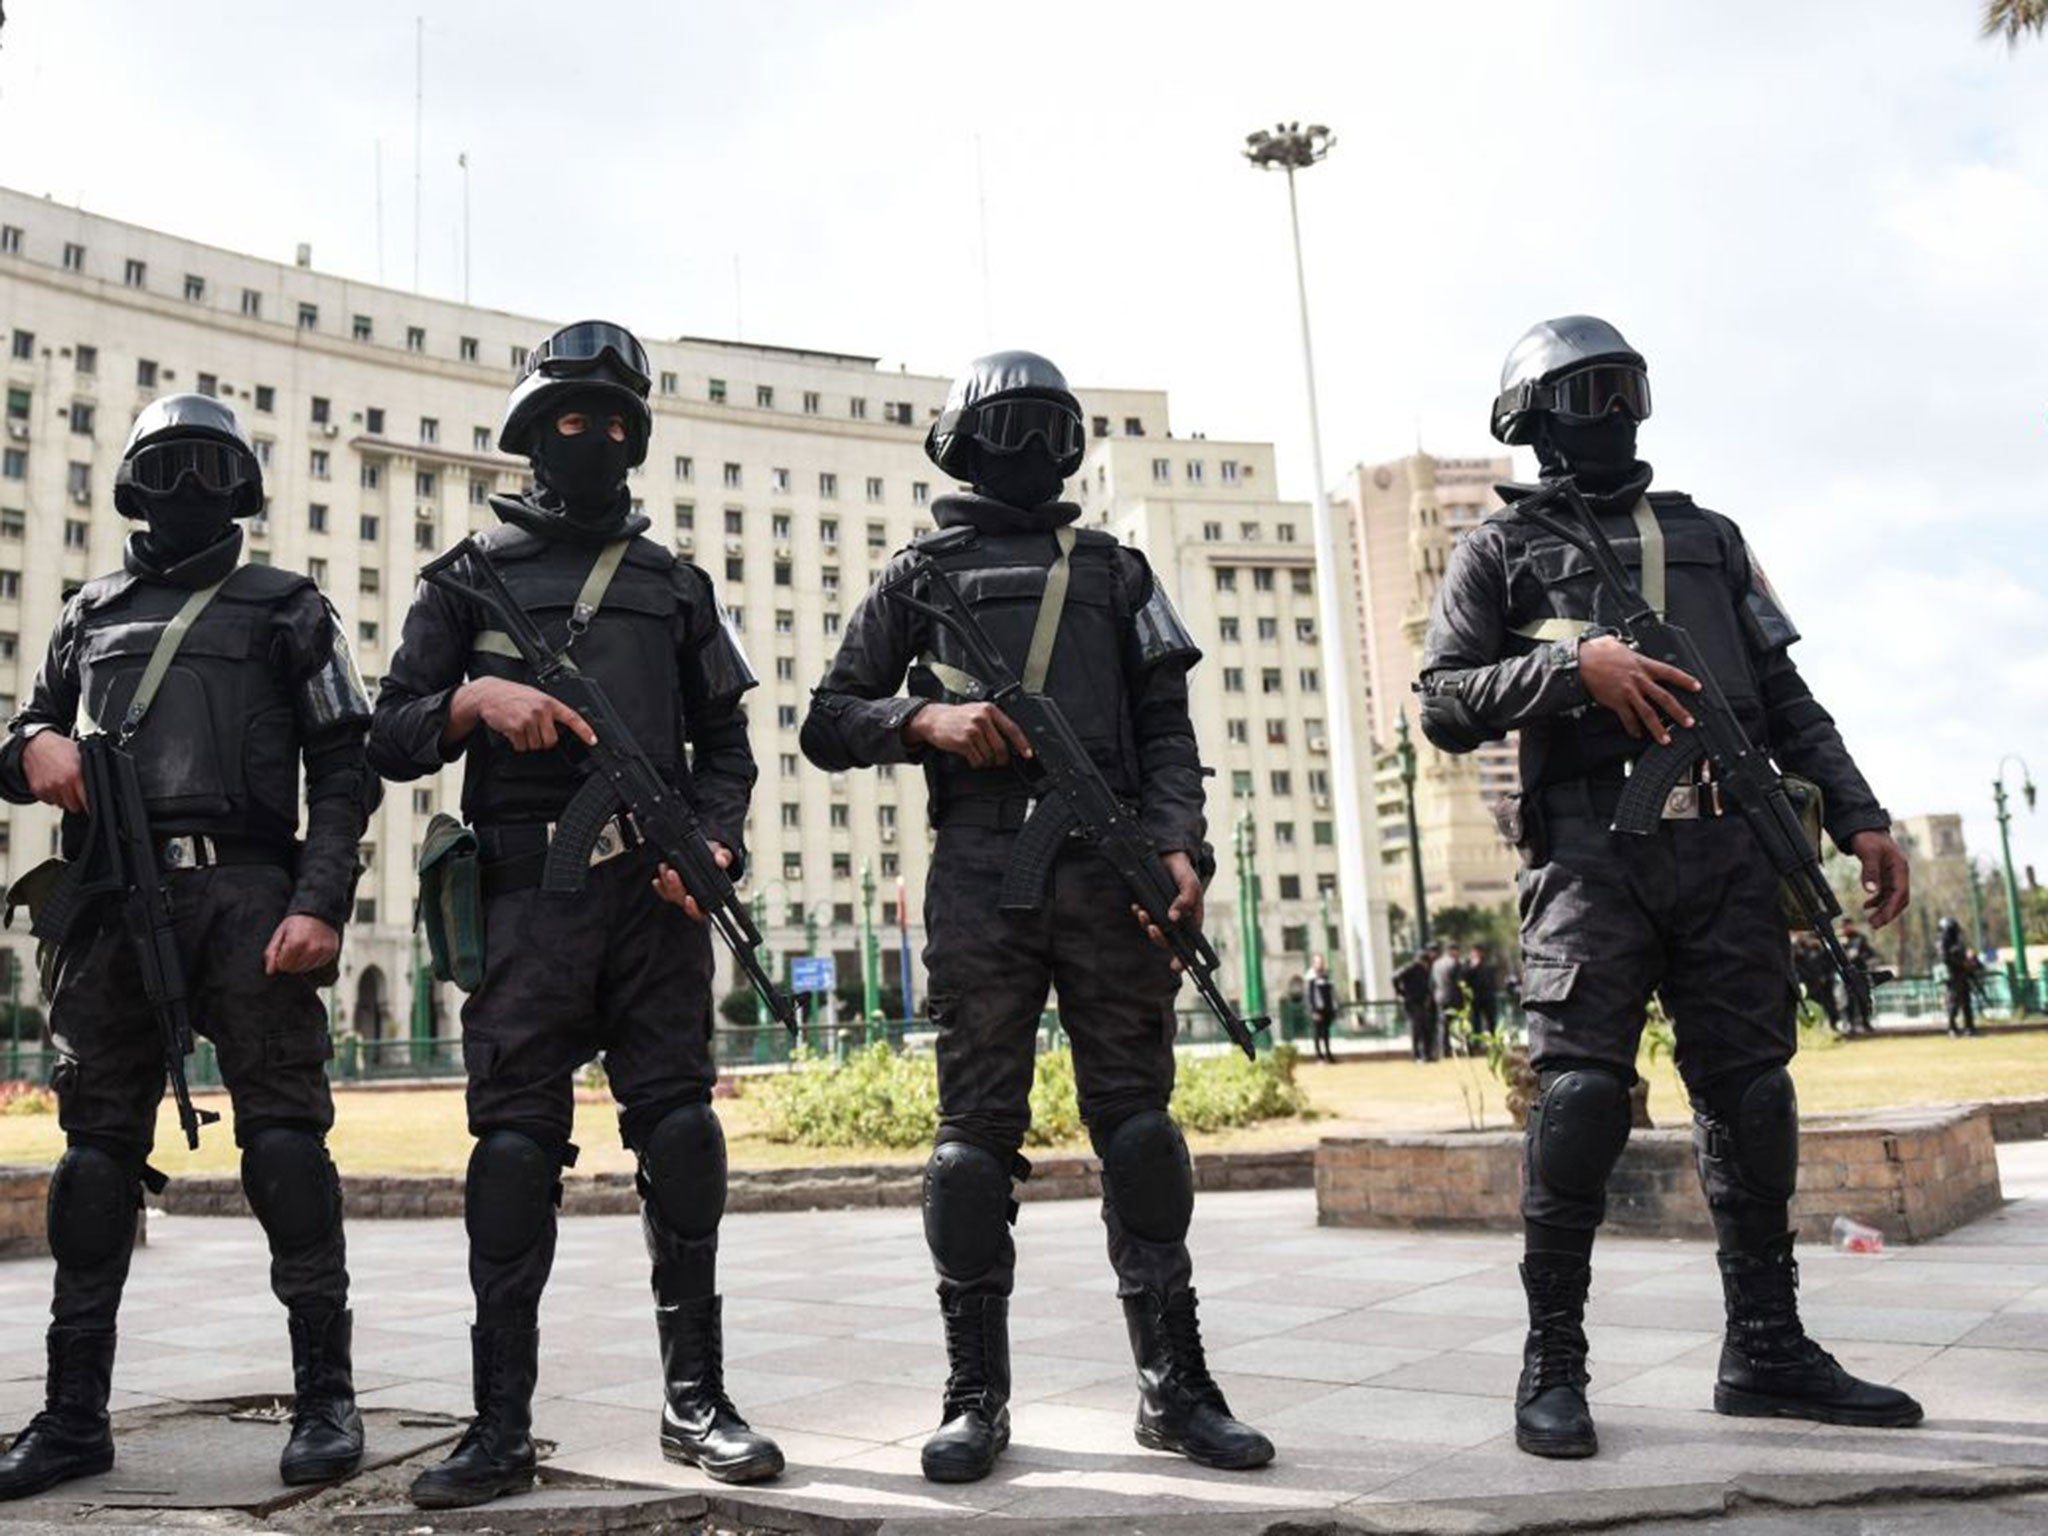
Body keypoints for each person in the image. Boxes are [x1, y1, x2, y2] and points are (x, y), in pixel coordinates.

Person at [1418, 315, 1921, 1460]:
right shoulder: (1498, 549)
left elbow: (1783, 692)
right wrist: (1567, 667)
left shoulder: (1710, 537)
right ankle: (1552, 1361)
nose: (1607, 414)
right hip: (1592, 859)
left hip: (1730, 855)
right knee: (1580, 1101)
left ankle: (1766, 1348)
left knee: (1751, 1097)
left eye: (1620, 389)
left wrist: (1859, 813)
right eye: (1581, 393)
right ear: (1529, 418)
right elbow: (1441, 701)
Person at [801, 350, 1273, 1484]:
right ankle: (975, 1394)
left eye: (1040, 428)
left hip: (1110, 871)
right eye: (1001, 426)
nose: (1021, 448)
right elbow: (826, 718)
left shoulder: (1115, 570)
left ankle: (1174, 1385)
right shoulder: (917, 575)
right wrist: (925, 723)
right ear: (965, 444)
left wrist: (1179, 849)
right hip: (978, 873)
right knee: (971, 1145)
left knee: (1142, 1134)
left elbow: (1169, 730)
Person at [368, 322, 783, 1508]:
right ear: (528, 434)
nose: (591, 438)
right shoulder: (462, 579)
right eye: (570, 419)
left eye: (612, 421)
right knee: (508, 1154)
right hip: (520, 902)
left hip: (652, 901)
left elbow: (730, 749)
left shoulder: (675, 586)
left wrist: (712, 845)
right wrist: (474, 700)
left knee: (682, 1138)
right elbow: (390, 735)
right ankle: (499, 1425)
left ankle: (694, 1401)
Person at [0, 395, 375, 1497]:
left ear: (240, 489)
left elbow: (346, 766)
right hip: (112, 900)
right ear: (133, 487)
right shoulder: (87, 611)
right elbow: (18, 731)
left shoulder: (288, 607)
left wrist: (321, 901)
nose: (186, 490)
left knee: (285, 1142)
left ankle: (325, 1398)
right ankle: (73, 1415)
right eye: (164, 470)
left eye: (207, 471)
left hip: (251, 895)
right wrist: (36, 752)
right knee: (93, 1155)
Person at [1392, 945, 1440, 1062]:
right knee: (1416, 1028)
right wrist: (1401, 993)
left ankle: (1427, 1054)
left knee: (1426, 1028)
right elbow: (1395, 977)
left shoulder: (1426, 970)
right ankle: (1416, 1054)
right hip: (1412, 1001)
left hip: (1422, 1001)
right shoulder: (1411, 968)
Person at [1792, 934, 1840, 1033]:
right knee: (1813, 1005)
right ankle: (1815, 1027)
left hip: (1826, 983)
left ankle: (1834, 1025)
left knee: (1830, 1005)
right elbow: (1798, 967)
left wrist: (1826, 976)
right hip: (1810, 984)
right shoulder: (1799, 951)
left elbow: (1832, 965)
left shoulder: (1823, 950)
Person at [1940, 917, 1978, 1037]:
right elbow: (1946, 958)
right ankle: (1952, 1028)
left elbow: (1962, 953)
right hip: (1953, 976)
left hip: (1962, 974)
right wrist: (1960, 962)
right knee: (1953, 1003)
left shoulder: (1957, 942)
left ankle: (1969, 1027)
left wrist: (1968, 961)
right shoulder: (1944, 943)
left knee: (1966, 1002)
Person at [1839, 921, 1876, 1035]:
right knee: (1849, 1000)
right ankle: (1851, 1024)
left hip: (1860, 972)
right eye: (1844, 926)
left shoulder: (1860, 938)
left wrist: (1859, 956)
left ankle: (1866, 1022)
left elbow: (1870, 953)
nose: (1847, 928)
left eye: (1848, 925)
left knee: (1863, 998)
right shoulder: (1840, 940)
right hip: (1847, 975)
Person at [1305, 955, 1339, 1064]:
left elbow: (1332, 993)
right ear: (1314, 964)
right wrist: (1314, 1010)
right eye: (1318, 962)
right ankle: (1319, 1056)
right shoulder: (1311, 978)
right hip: (1317, 1010)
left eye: (1321, 962)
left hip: (1327, 1009)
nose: (1320, 964)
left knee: (1326, 1032)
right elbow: (1310, 996)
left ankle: (1328, 1054)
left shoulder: (1327, 977)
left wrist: (1334, 1008)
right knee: (1317, 1033)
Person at [1465, 944, 1500, 1042]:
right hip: (1475, 998)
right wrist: (1473, 966)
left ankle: (1492, 1041)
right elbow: (1465, 978)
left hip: (1488, 997)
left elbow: (1492, 979)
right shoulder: (1468, 965)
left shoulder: (1487, 965)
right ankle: (1476, 1042)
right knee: (1475, 1021)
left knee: (1491, 1020)